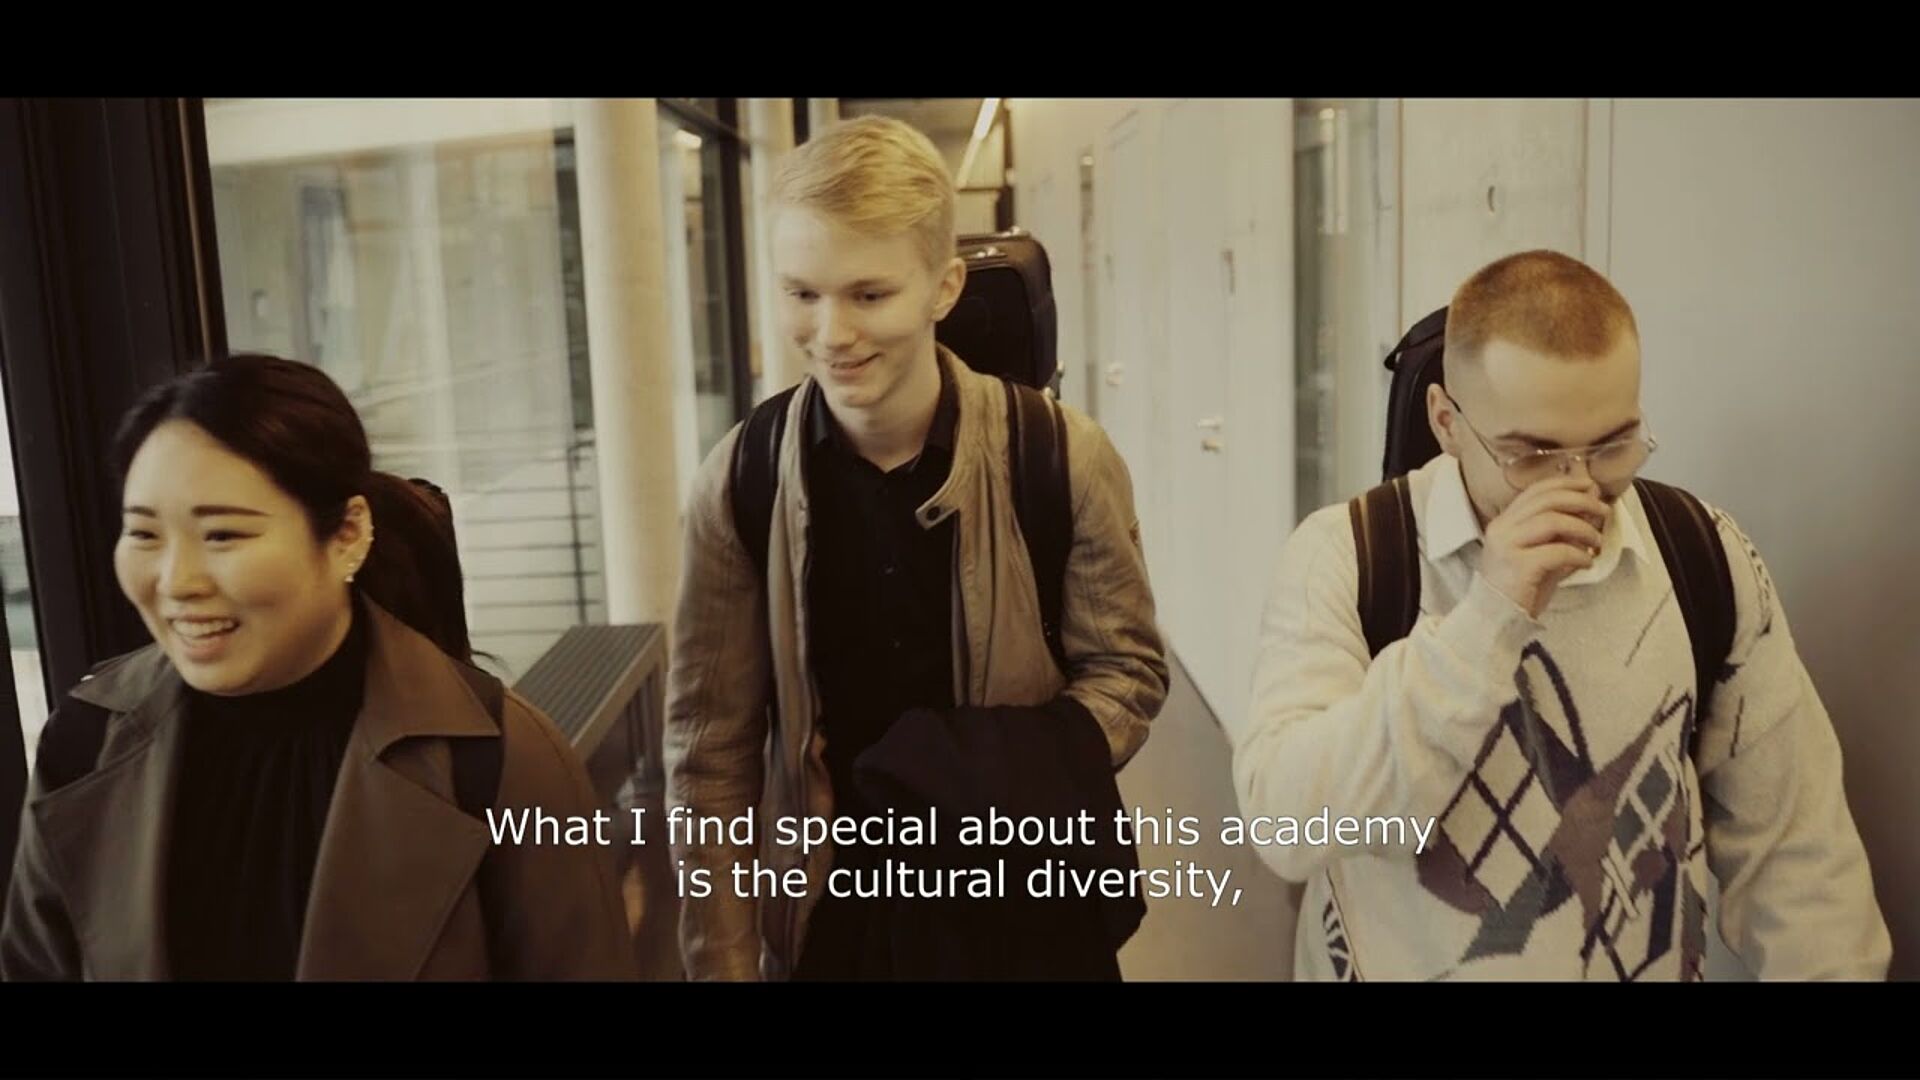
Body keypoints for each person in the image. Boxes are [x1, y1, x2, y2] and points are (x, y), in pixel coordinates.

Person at [1232, 250, 1891, 980]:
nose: (1579, 487)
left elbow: (1797, 858)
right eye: (1532, 455)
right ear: (1447, 422)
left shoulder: (1701, 552)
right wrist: (1489, 617)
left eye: (1612, 446)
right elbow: (1286, 827)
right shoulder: (1349, 555)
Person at [663, 116, 1169, 980]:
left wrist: (977, 769)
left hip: (1025, 902)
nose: (832, 333)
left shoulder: (1059, 458)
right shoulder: (740, 481)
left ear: (943, 287)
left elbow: (1128, 672)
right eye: (801, 294)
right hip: (836, 918)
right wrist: (725, 962)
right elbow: (710, 752)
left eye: (869, 295)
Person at [0, 353, 636, 980]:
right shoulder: (86, 741)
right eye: (145, 535)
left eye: (223, 535)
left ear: (347, 535)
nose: (177, 581)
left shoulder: (503, 759)